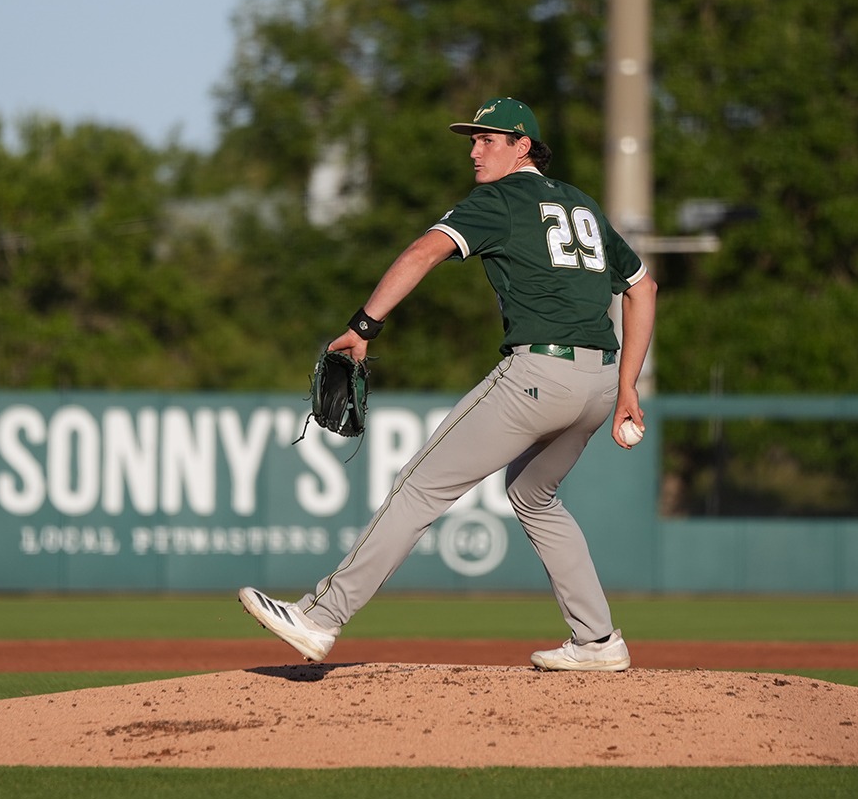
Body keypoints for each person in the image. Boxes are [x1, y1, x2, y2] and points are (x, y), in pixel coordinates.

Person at [239, 96, 657, 671]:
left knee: (418, 487)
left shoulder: (500, 200)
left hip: (539, 374)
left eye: (488, 140)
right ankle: (598, 641)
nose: (474, 151)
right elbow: (642, 288)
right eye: (473, 140)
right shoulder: (581, 203)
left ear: (523, 147)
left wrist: (363, 326)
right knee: (534, 496)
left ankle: (319, 617)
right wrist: (629, 387)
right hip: (600, 384)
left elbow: (423, 252)